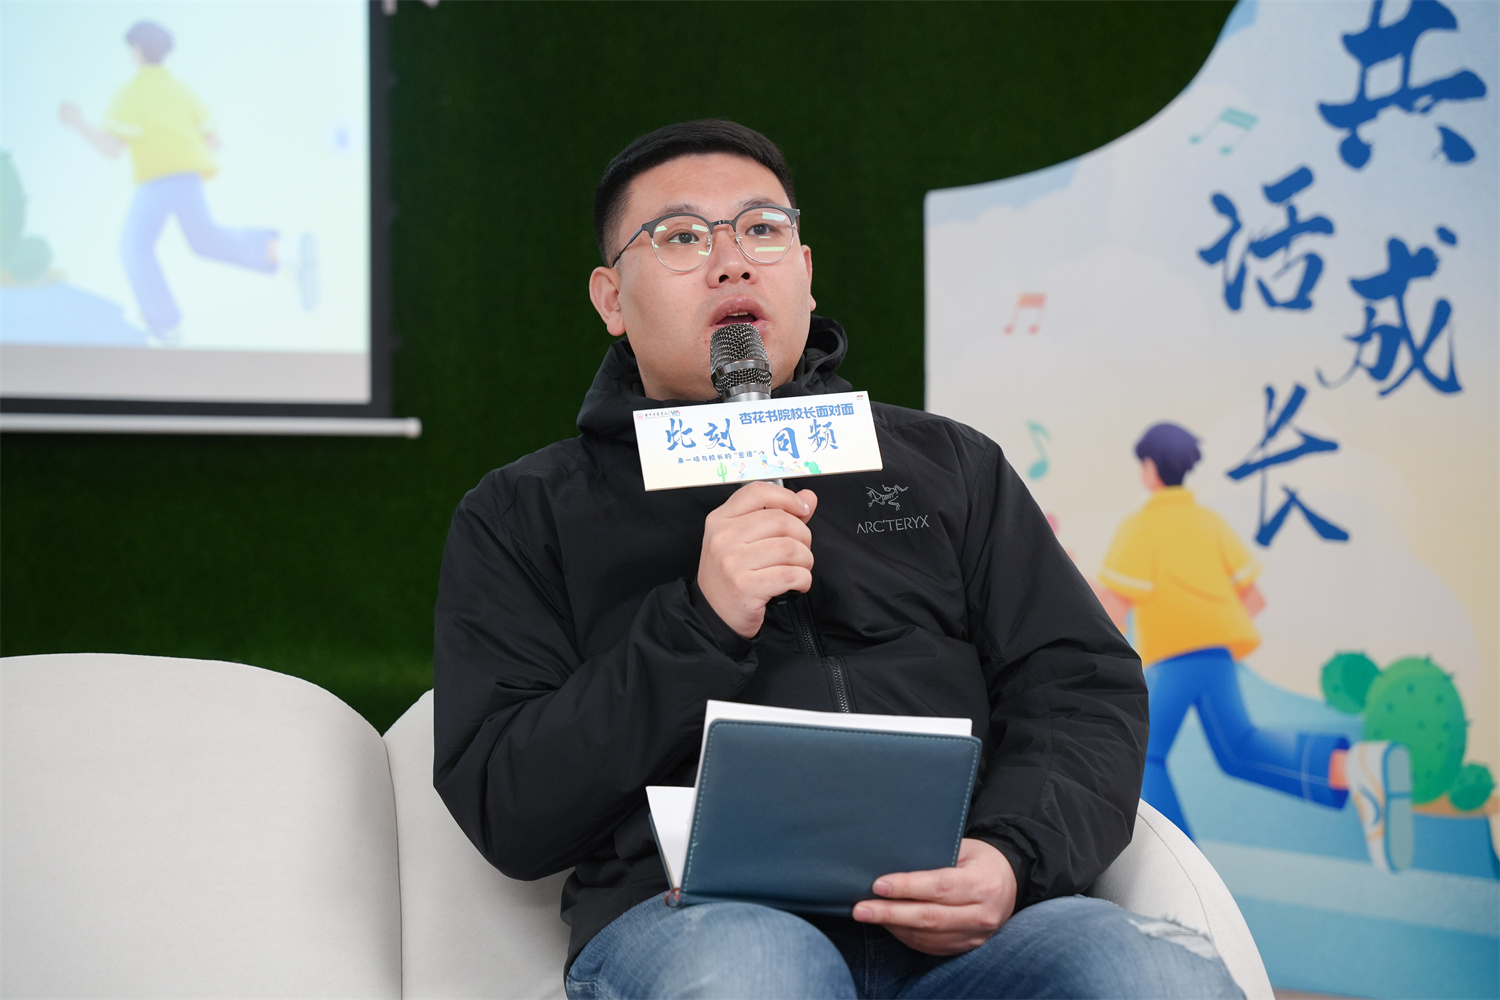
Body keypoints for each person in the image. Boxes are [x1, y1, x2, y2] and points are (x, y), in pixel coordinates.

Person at [434, 120, 1244, 998]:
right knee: (757, 973)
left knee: (1148, 967)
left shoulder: (949, 466)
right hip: (699, 922)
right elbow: (508, 802)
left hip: (968, 933)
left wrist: (1011, 856)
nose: (732, 263)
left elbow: (1080, 687)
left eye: (762, 229)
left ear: (806, 272)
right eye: (681, 237)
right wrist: (698, 624)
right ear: (612, 300)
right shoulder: (524, 512)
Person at [1096, 422, 1413, 872]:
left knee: (1143, 754)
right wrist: (1208, 616)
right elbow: (1253, 599)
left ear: (1150, 468)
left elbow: (1113, 608)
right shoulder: (1209, 522)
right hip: (1218, 654)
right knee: (1239, 748)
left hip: (1177, 656)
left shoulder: (1141, 526)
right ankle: (1352, 767)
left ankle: (1182, 869)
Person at [59, 20, 313, 345]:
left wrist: (78, 123)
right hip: (188, 176)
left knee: (134, 246)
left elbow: (112, 149)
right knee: (205, 239)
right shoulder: (180, 90)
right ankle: (279, 248)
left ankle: (164, 324)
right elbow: (213, 140)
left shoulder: (132, 92)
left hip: (159, 178)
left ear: (137, 50)